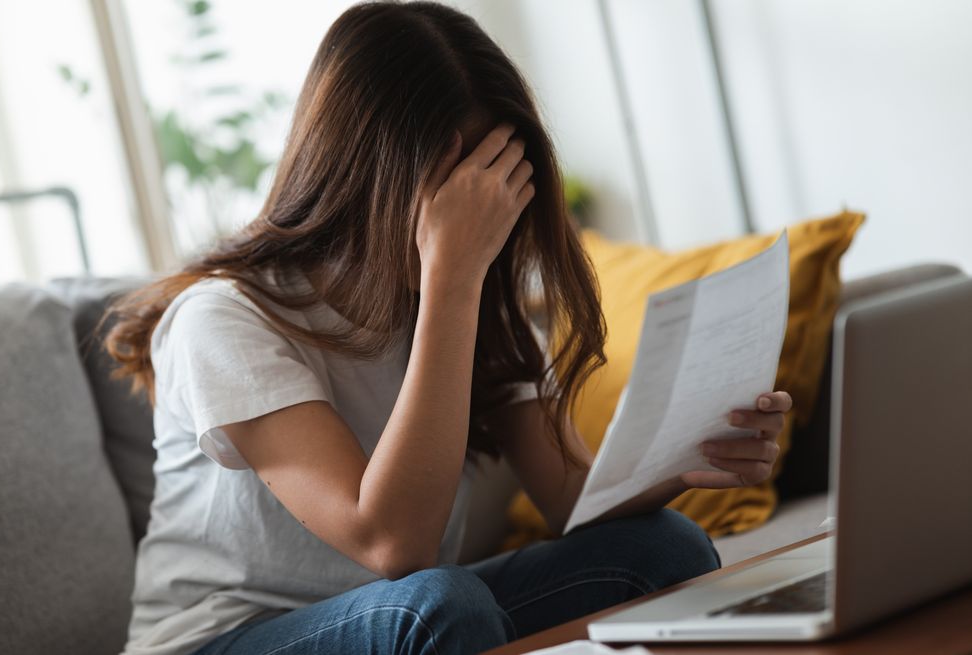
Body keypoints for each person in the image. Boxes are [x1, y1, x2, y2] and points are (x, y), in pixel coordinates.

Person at [107, 2, 792, 654]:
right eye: (456, 195)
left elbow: (569, 497)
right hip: (229, 635)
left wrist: (694, 449)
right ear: (363, 180)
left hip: (404, 614)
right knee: (437, 603)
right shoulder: (224, 317)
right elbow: (391, 544)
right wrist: (452, 279)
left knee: (664, 547)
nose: (478, 225)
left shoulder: (471, 294)